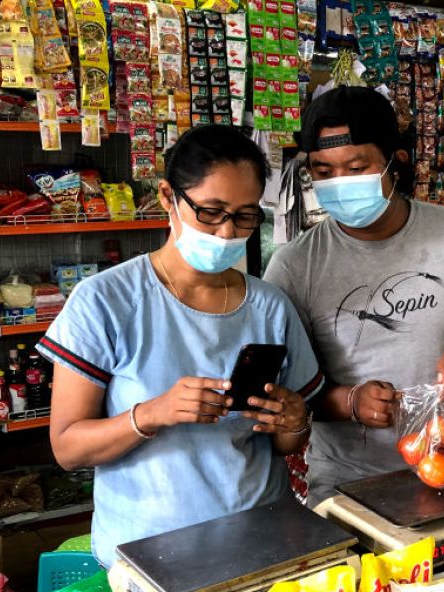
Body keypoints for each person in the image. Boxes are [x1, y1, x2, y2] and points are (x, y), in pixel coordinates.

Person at [38, 124, 324, 567]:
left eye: (245, 215)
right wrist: (153, 414)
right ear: (169, 198)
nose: (228, 232)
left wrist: (293, 420)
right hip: (148, 551)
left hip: (259, 538)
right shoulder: (105, 301)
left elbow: (287, 443)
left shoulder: (270, 306)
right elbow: (68, 448)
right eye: (211, 211)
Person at [265, 87, 444, 504]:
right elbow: (284, 394)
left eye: (356, 166)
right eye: (324, 172)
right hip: (347, 487)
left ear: (396, 162)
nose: (339, 184)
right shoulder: (294, 265)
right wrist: (348, 401)